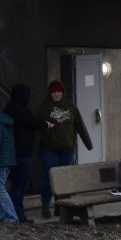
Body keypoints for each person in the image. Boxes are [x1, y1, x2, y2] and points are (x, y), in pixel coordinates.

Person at [35, 79, 93, 218]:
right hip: (49, 149)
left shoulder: (70, 106)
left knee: (65, 178)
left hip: (67, 149)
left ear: (63, 92)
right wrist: (36, 148)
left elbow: (80, 125)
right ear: (50, 93)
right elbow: (37, 128)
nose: (56, 94)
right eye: (54, 91)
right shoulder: (43, 108)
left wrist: (88, 143)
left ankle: (61, 206)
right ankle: (45, 205)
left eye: (59, 91)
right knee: (49, 177)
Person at [3, 83, 51, 224]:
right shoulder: (22, 110)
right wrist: (47, 124)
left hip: (11, 153)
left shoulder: (8, 108)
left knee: (15, 185)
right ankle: (17, 215)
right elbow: (34, 123)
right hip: (23, 153)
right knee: (20, 185)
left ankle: (14, 214)